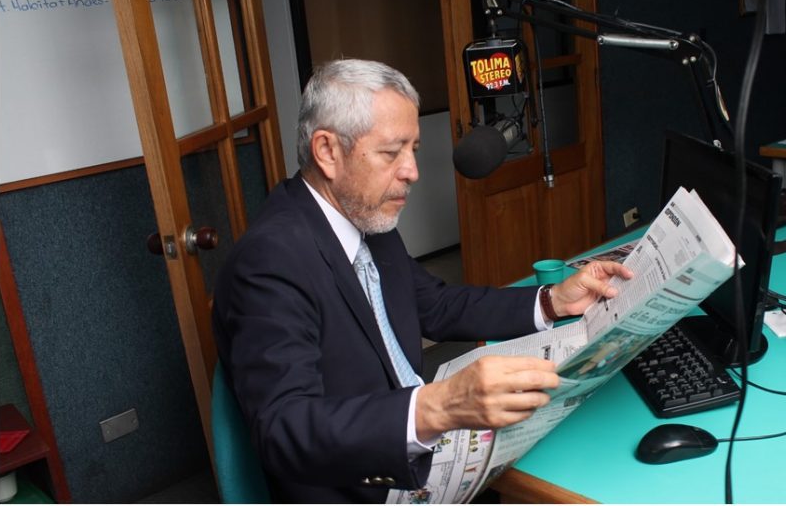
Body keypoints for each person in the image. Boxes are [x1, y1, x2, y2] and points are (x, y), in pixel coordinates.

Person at [211, 59, 632, 503]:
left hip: (425, 458)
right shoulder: (269, 260)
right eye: (392, 153)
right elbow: (285, 431)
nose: (412, 170)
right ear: (327, 151)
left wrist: (551, 302)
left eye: (413, 149)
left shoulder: (365, 219)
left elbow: (436, 304)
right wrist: (441, 405)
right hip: (362, 486)